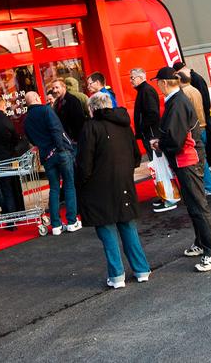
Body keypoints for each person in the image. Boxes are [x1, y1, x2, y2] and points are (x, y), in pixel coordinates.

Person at [151, 67, 211, 272]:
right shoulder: (177, 100)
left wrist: (160, 144)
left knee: (198, 206)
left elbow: (175, 139)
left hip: (187, 159)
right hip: (187, 158)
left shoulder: (177, 103)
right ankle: (203, 243)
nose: (158, 86)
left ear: (164, 83)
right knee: (194, 206)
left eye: (158, 82)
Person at [76, 92, 150, 289]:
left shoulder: (90, 127)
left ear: (92, 109)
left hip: (98, 186)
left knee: (107, 230)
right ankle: (141, 270)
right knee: (128, 226)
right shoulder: (123, 124)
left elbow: (84, 163)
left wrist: (82, 182)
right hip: (123, 182)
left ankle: (117, 275)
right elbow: (136, 155)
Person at [22, 91, 81, 234]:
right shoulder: (46, 110)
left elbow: (31, 139)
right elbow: (56, 130)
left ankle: (56, 225)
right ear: (36, 98)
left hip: (46, 155)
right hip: (60, 152)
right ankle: (72, 221)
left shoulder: (26, 120)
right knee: (69, 186)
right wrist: (61, 148)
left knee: (54, 188)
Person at [175, 61, 211, 188]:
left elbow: (198, 107)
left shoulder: (191, 86)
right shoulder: (194, 85)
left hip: (200, 124)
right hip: (203, 123)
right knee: (206, 154)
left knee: (202, 156)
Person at [129, 67, 174, 212]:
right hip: (150, 135)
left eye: (132, 78)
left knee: (160, 167)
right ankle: (165, 196)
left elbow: (153, 114)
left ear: (141, 77)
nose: (130, 81)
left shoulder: (146, 91)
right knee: (157, 167)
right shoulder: (143, 91)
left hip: (152, 136)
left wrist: (142, 128)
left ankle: (169, 198)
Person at [173, 68, 211, 196]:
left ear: (179, 80)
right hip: (202, 126)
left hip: (195, 129)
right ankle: (208, 186)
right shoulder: (194, 90)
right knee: (202, 158)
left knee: (199, 160)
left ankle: (209, 187)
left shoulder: (184, 93)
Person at [49, 78, 88, 145]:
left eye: (57, 87)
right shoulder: (57, 102)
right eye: (53, 88)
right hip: (67, 140)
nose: (54, 90)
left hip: (76, 140)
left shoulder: (72, 100)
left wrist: (75, 139)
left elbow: (80, 121)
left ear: (64, 87)